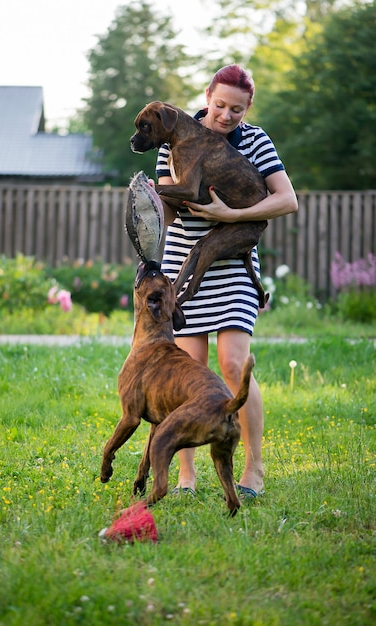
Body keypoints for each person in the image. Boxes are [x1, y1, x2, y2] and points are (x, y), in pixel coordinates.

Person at [156, 64, 298, 499]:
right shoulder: (174, 135)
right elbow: (167, 203)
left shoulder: (256, 141)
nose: (225, 115)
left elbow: (286, 199)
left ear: (247, 108)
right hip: (185, 261)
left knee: (234, 365)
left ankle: (253, 469)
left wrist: (231, 216)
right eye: (219, 105)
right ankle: (186, 475)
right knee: (189, 373)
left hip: (234, 263)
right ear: (207, 96)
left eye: (236, 109)